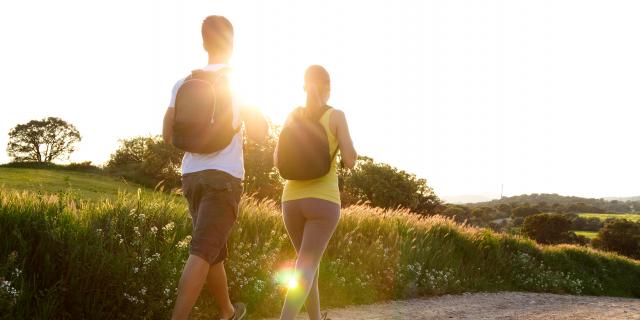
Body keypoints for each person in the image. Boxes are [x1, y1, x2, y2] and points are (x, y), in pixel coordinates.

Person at [162, 15, 268, 320]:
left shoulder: (183, 82)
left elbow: (167, 134)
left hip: (191, 176)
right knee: (202, 250)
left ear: (203, 43)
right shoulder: (237, 85)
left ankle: (228, 311)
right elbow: (261, 134)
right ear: (231, 45)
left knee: (212, 251)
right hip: (224, 177)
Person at [275, 65, 358, 320]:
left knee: (308, 266)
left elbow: (277, 159)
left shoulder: (292, 116)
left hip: (291, 201)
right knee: (306, 267)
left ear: (304, 86)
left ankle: (316, 318)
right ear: (329, 89)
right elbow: (351, 159)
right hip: (323, 201)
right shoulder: (336, 116)